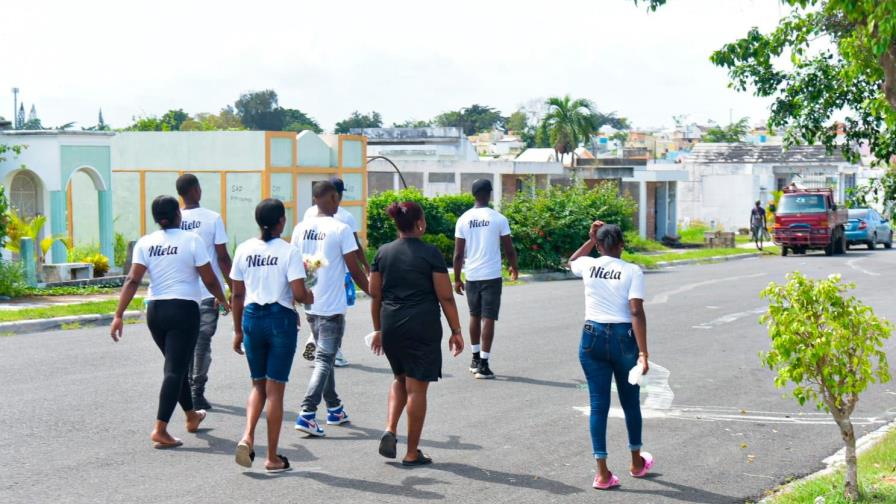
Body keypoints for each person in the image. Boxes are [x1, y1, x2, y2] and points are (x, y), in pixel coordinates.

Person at [110, 195, 230, 449]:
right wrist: (223, 298)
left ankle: (191, 415)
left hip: (155, 311)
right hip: (183, 310)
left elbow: (132, 280)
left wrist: (119, 314)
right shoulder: (192, 240)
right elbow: (208, 279)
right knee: (175, 370)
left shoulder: (146, 242)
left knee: (177, 366)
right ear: (178, 214)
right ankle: (160, 429)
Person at [370, 201, 464, 466]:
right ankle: (412, 453)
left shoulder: (382, 252)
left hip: (391, 324)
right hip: (422, 324)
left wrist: (378, 328)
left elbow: (375, 295)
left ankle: (390, 427)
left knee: (400, 379)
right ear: (420, 223)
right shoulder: (430, 253)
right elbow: (445, 296)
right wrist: (456, 330)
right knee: (416, 389)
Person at [230, 198, 314, 472]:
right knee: (275, 390)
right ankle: (272, 457)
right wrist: (308, 296)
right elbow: (299, 293)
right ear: (281, 221)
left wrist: (237, 330)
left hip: (252, 318)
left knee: (258, 385)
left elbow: (238, 294)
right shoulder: (289, 252)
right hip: (280, 319)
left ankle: (247, 436)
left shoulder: (244, 249)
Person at [568, 221, 653, 490]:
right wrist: (643, 352)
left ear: (600, 245)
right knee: (630, 402)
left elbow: (572, 260)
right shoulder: (632, 271)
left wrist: (591, 239)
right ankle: (636, 463)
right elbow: (636, 311)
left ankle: (602, 473)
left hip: (591, 337)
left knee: (598, 405)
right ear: (622, 246)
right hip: (622, 339)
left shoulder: (589, 265)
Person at [290, 180, 370, 437]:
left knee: (325, 355)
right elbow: (354, 268)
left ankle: (334, 407)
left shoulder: (300, 228)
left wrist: (294, 299)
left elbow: (295, 266)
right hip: (332, 305)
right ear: (334, 198)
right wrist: (372, 290)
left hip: (310, 301)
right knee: (325, 358)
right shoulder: (340, 228)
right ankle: (308, 411)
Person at [176, 173, 233, 411]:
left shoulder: (173, 219)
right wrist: (233, 287)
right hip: (208, 292)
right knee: (202, 343)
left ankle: (188, 389)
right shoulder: (212, 218)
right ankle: (197, 390)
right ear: (197, 191)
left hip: (181, 293)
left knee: (186, 343)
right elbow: (222, 257)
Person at [452, 178, 518, 379]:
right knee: (488, 317)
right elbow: (509, 248)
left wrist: (457, 278)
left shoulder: (463, 219)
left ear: (473, 195)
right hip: (491, 275)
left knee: (474, 315)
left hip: (472, 274)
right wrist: (514, 267)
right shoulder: (498, 218)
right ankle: (484, 363)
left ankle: (474, 359)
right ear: (489, 194)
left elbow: (457, 254)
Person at [301, 177, 369, 368]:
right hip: (337, 270)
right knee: (335, 312)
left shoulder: (308, 213)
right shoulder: (345, 217)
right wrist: (366, 266)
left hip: (312, 267)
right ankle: (334, 352)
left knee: (316, 309)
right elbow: (354, 246)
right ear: (337, 196)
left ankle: (314, 340)